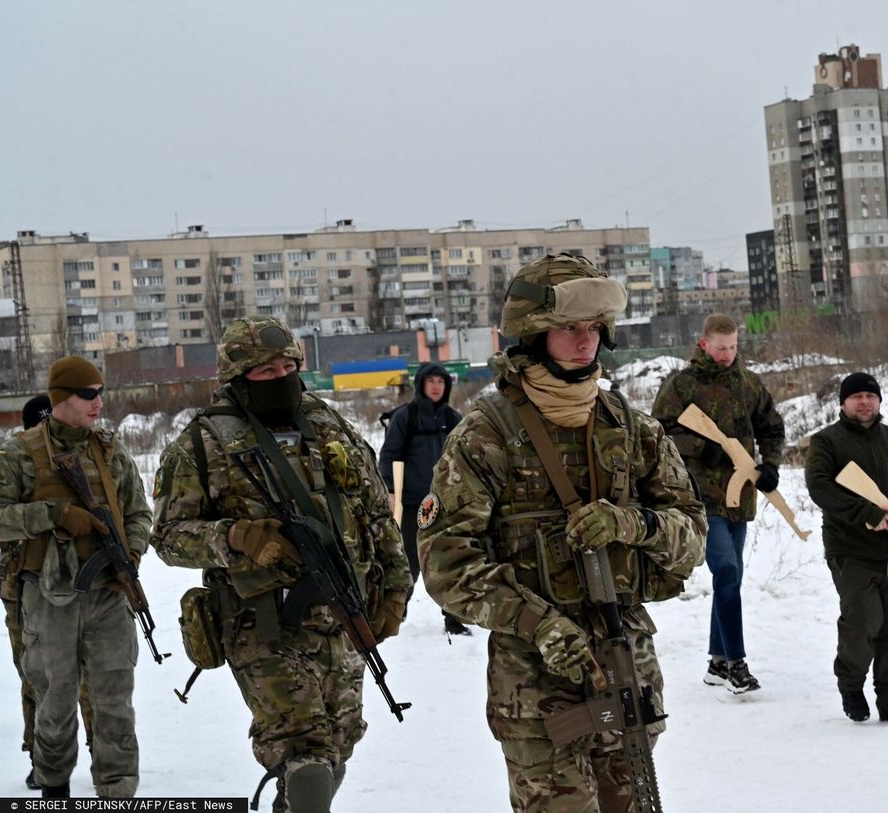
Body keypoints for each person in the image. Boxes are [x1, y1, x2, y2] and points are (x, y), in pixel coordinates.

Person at [418, 253, 706, 812]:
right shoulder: (486, 435)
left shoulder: (631, 427)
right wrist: (539, 624)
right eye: (570, 328)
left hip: (624, 669)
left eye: (595, 328)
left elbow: (692, 536)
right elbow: (446, 565)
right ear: (532, 336)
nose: (586, 341)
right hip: (536, 687)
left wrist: (635, 523)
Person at [150, 316, 411, 812]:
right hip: (261, 622)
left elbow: (375, 511)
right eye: (266, 371)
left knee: (340, 739)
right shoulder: (201, 445)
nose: (282, 377)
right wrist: (231, 538)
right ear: (236, 377)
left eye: (288, 366)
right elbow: (165, 538)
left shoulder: (328, 424)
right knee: (303, 747)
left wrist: (396, 589)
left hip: (341, 610)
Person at [0, 359, 151, 798]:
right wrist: (55, 515)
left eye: (101, 391)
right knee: (55, 699)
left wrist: (132, 551)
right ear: (62, 397)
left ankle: (118, 787)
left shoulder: (109, 449)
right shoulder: (19, 454)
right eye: (88, 393)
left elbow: (139, 511)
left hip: (108, 592)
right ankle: (52, 783)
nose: (98, 401)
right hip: (47, 596)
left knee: (114, 699)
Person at [651, 312, 783, 694]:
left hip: (739, 495)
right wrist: (698, 447)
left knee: (732, 576)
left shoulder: (748, 384)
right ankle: (738, 664)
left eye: (733, 347)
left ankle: (717, 661)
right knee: (725, 570)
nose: (727, 354)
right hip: (697, 497)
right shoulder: (682, 385)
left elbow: (772, 427)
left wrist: (771, 464)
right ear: (704, 343)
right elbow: (657, 434)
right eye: (721, 347)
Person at [804, 372, 888, 726]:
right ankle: (851, 683)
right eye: (856, 396)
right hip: (850, 547)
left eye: (870, 396)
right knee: (862, 621)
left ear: (879, 401)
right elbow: (820, 487)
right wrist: (868, 515)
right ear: (843, 403)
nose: (864, 402)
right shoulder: (826, 442)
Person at [0, 394, 95, 791]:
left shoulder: (82, 461)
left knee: (87, 673)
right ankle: (41, 756)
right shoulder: (14, 467)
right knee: (36, 674)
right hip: (24, 588)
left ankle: (101, 750)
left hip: (80, 582)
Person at [377, 362, 470, 636]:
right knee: (408, 562)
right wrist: (392, 490)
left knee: (449, 559)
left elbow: (465, 457)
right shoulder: (406, 417)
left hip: (443, 502)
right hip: (412, 502)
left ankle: (453, 617)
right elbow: (389, 456)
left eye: (441, 382)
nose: (436, 387)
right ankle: (396, 612)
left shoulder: (453, 418)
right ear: (421, 385)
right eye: (431, 382)